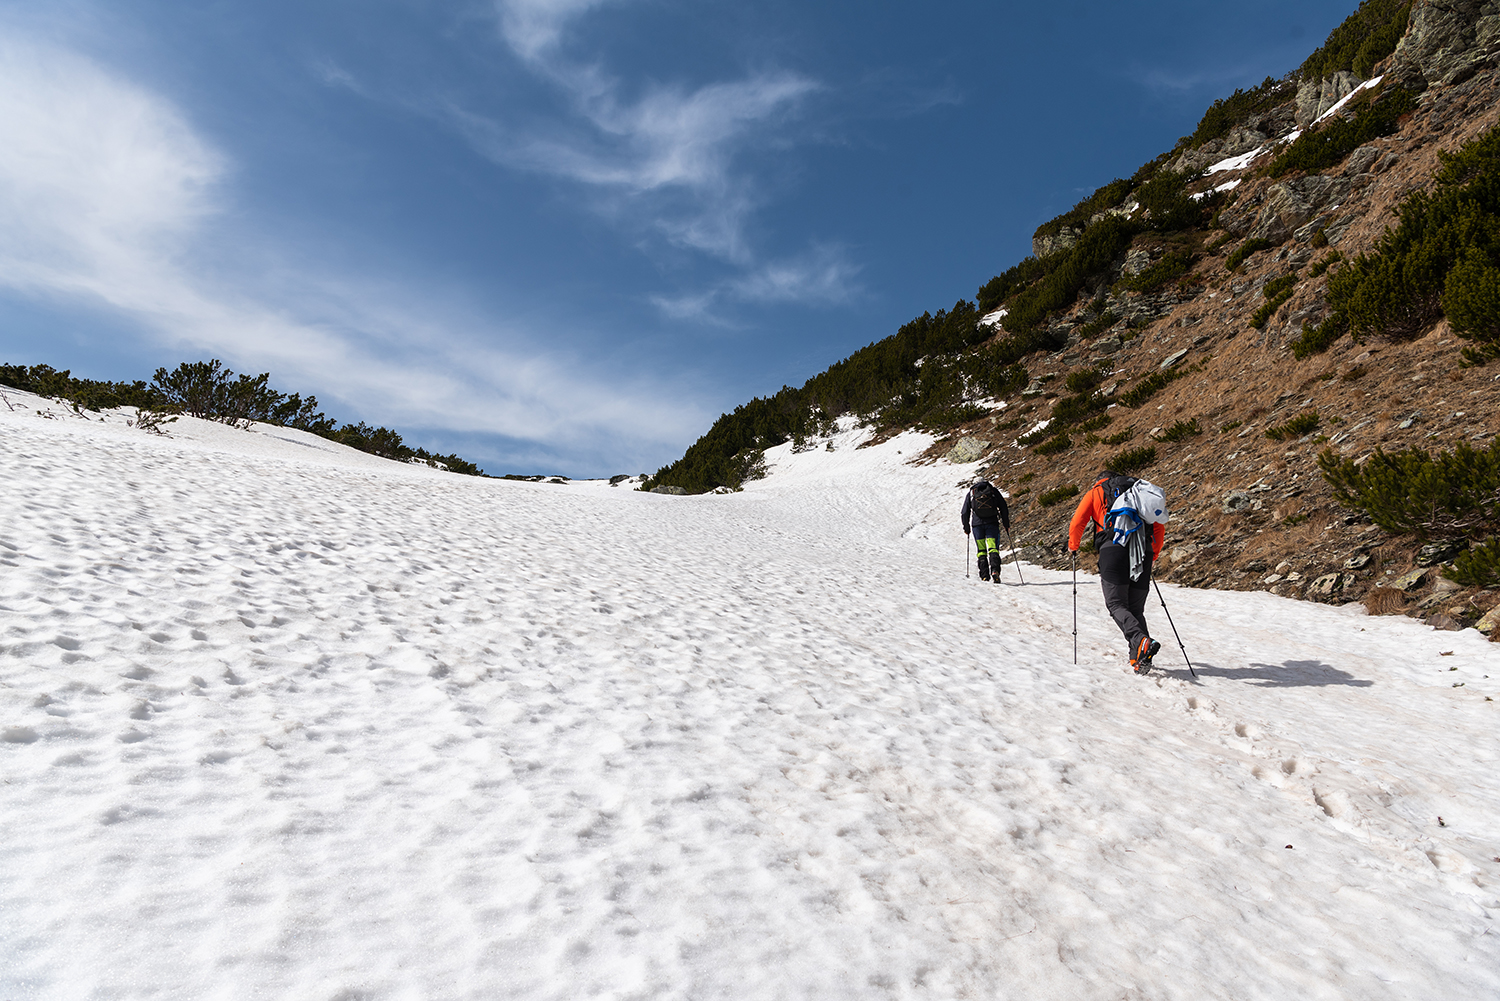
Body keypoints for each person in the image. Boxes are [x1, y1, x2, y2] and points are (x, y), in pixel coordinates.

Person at [1067, 471, 1170, 672]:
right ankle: (1139, 658)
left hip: (1112, 549)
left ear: (1100, 480)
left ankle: (1140, 641)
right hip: (1143, 551)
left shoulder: (1096, 492)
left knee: (1116, 603)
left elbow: (1078, 520)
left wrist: (1073, 545)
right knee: (1135, 608)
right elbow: (1158, 525)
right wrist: (1153, 553)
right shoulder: (1139, 491)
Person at [962, 478, 1011, 583]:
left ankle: (984, 575)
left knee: (981, 551)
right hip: (992, 524)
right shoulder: (993, 491)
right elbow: (1003, 507)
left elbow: (965, 512)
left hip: (977, 526)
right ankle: (995, 570)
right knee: (993, 548)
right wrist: (1006, 524)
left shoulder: (972, 493)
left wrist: (966, 527)